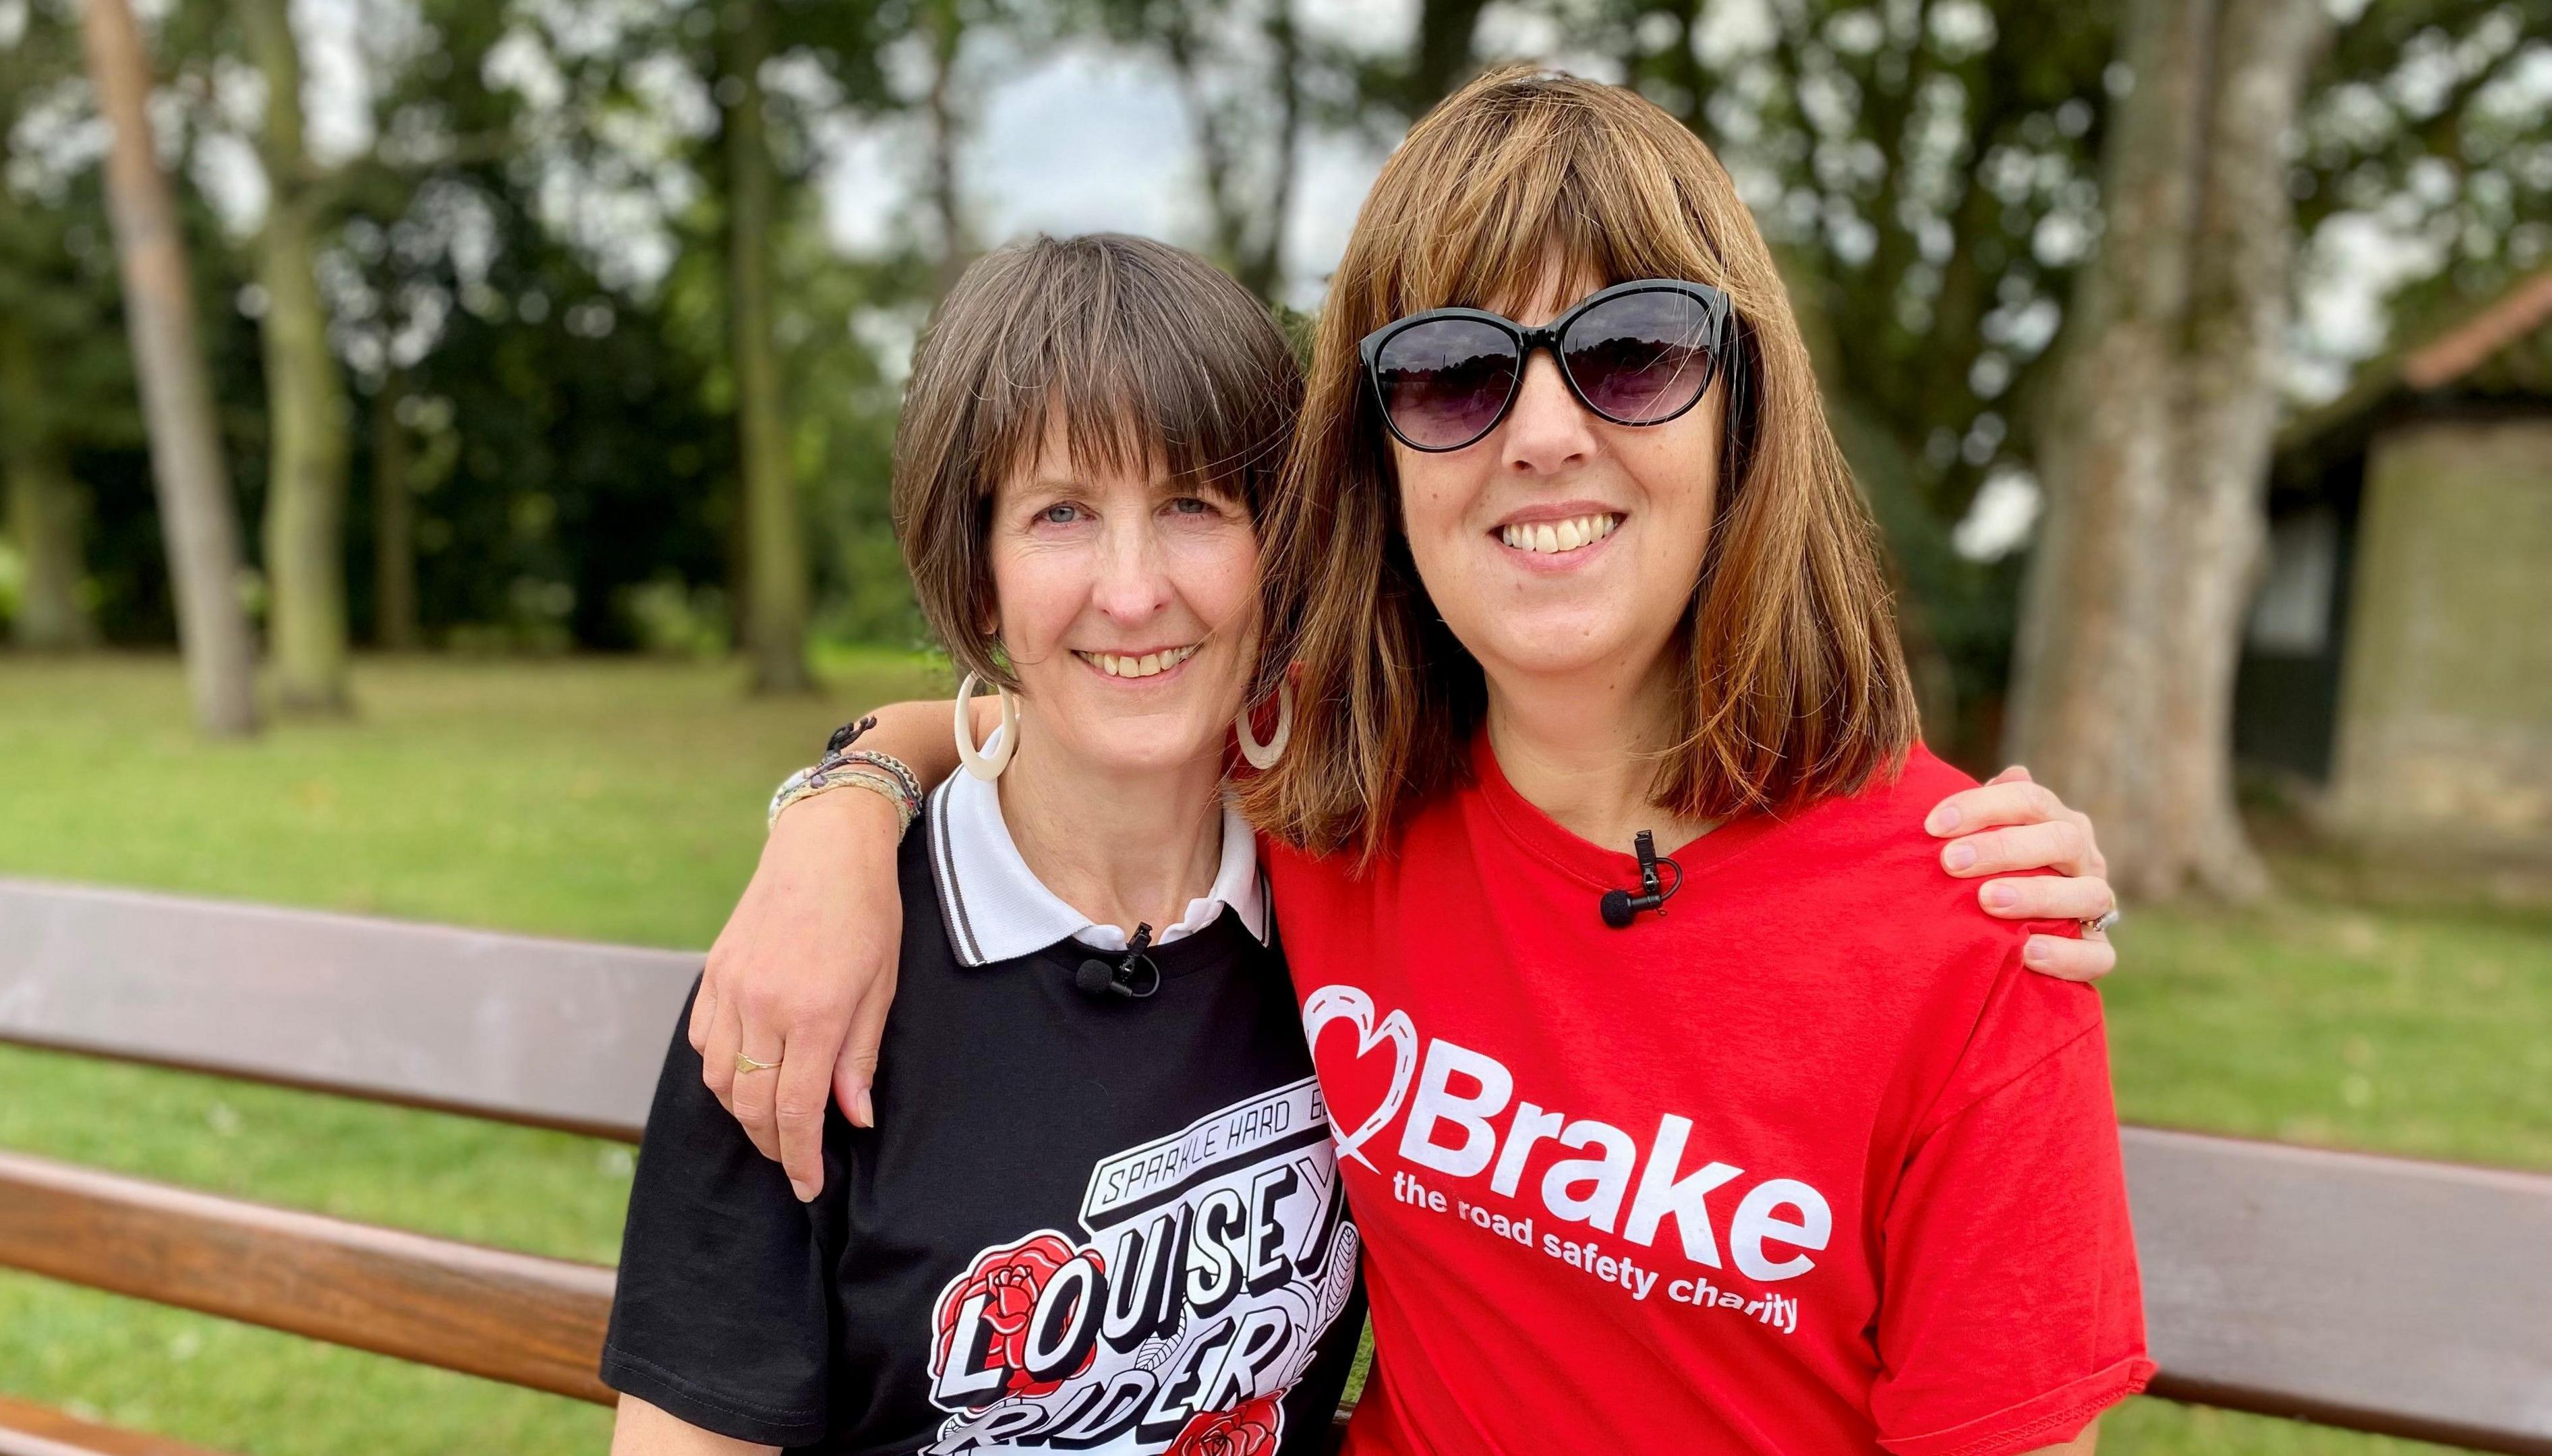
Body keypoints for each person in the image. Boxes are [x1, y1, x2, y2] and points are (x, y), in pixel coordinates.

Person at [693, 69, 2144, 1455]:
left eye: (1633, 351)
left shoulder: (1973, 925)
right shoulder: (1331, 777)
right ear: (1378, 453)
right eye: (1454, 376)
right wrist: (843, 806)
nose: (1545, 434)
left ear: (1743, 405)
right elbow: (1068, 712)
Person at [601, 235, 1364, 1455]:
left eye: (1192, 505)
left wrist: (861, 777)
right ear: (980, 571)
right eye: (1062, 512)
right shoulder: (814, 979)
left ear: (1279, 545)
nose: (1131, 591)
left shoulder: (1351, 912)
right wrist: (848, 801)